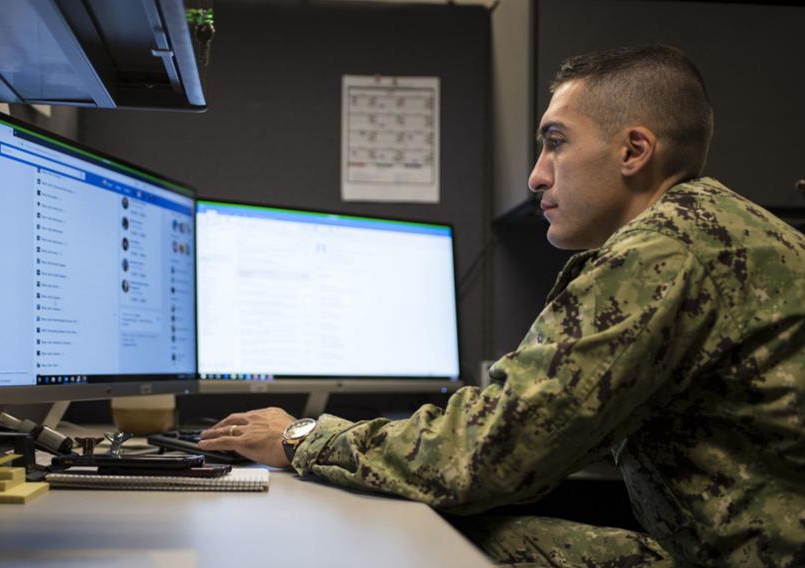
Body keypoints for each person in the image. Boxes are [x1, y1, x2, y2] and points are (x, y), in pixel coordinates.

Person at [198, 45, 805, 566]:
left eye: (555, 143)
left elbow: (482, 455)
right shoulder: (729, 228)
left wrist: (303, 436)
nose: (537, 176)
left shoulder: (661, 252)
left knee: (432, 532)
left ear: (633, 151)